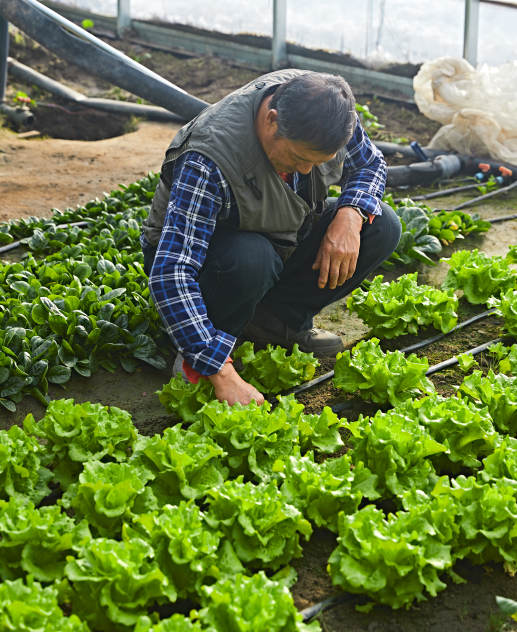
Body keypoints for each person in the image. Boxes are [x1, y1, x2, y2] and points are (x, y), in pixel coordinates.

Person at [142, 69, 401, 406]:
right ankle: (200, 354)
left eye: (317, 162)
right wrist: (220, 371)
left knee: (382, 225)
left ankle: (276, 324)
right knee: (251, 258)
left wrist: (350, 216)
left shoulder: (329, 114)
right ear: (272, 120)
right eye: (298, 158)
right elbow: (172, 271)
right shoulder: (209, 158)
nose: (307, 171)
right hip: (211, 260)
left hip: (282, 233)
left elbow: (370, 165)